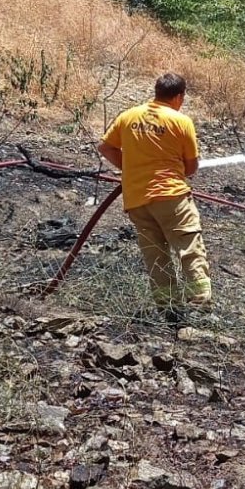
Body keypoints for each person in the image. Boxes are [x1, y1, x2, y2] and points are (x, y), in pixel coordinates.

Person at [99, 73, 212, 318]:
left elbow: (105, 147)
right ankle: (199, 305)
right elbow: (191, 168)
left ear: (156, 92)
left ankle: (168, 310)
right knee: (189, 248)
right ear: (179, 96)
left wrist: (131, 168)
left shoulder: (128, 116)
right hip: (171, 197)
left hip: (137, 201)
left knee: (155, 256)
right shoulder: (181, 121)